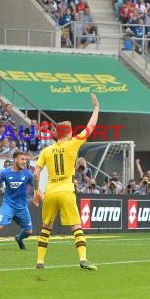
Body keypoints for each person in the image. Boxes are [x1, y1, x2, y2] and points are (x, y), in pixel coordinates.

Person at [33, 93, 100, 270]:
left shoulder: (47, 150)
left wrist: (36, 192)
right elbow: (91, 126)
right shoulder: (73, 144)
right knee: (76, 227)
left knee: (46, 227)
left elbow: (36, 172)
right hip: (66, 190)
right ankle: (83, 259)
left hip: (50, 192)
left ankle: (40, 261)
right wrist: (96, 108)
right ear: (69, 133)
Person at [0, 151, 35, 250]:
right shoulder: (5, 173)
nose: (25, 162)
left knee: (29, 232)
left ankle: (19, 239)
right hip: (8, 205)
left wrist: (41, 196)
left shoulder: (28, 174)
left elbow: (37, 188)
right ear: (15, 159)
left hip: (22, 207)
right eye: (22, 159)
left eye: (26, 160)